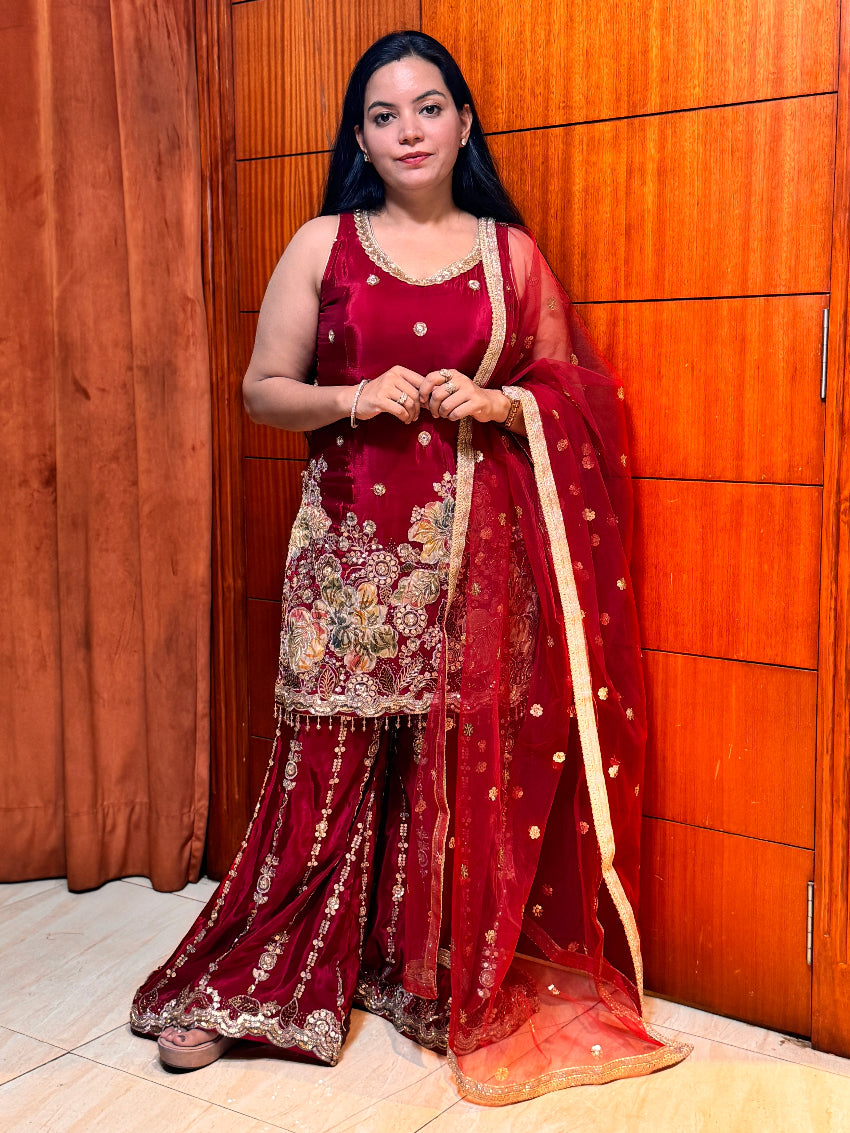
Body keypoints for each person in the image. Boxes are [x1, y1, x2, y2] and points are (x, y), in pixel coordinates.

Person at [131, 30, 690, 1104]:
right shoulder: (322, 244)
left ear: (462, 121)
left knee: (449, 769)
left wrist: (499, 400)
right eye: (383, 116)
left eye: (427, 108)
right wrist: (353, 397)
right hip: (348, 559)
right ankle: (264, 976)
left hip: (473, 570)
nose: (408, 131)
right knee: (330, 769)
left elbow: (576, 392)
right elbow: (261, 389)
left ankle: (421, 966)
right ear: (361, 137)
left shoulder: (509, 254)